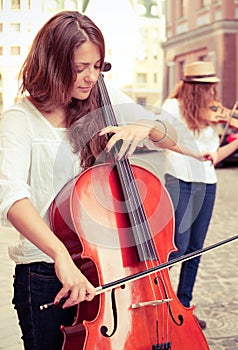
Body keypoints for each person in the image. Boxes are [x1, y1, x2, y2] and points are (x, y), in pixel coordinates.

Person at [0, 11, 204, 350]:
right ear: (51, 63)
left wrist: (147, 128)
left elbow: (182, 141)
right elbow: (11, 198)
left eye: (97, 66)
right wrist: (60, 256)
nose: (91, 77)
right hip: (47, 275)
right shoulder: (20, 121)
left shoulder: (101, 102)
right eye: (80, 68)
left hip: (110, 272)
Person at [160, 61, 238, 329]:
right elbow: (162, 140)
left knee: (195, 249)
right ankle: (160, 305)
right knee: (176, 248)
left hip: (207, 182)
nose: (214, 92)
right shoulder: (172, 108)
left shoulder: (214, 114)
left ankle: (184, 307)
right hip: (179, 179)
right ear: (196, 88)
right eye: (209, 87)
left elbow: (215, 157)